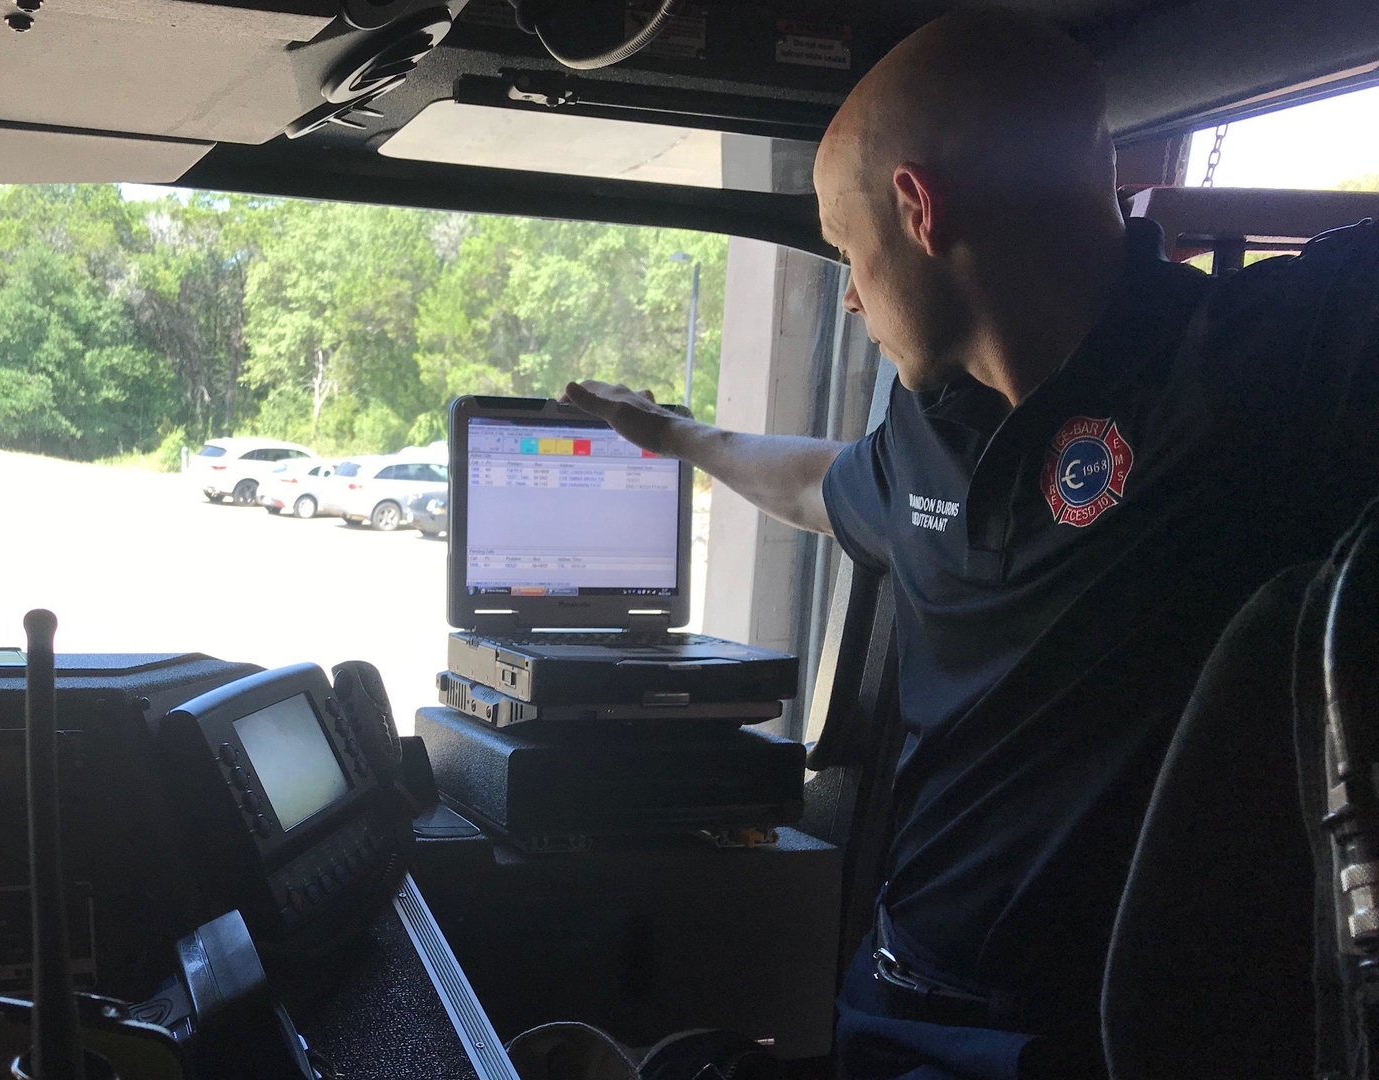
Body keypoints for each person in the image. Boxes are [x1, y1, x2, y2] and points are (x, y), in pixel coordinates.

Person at [567, 9, 1379, 1079]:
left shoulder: (1265, 364)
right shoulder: (929, 426)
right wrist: (675, 437)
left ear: (917, 207)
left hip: (1095, 1037)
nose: (850, 293)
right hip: (889, 990)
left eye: (846, 251)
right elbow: (824, 485)